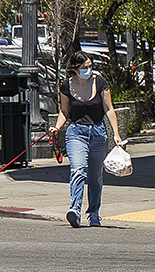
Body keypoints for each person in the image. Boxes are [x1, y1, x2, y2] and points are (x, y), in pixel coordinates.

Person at [53, 50, 126, 228]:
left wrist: (116, 134)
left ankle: (94, 213)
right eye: (85, 67)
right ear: (75, 69)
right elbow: (64, 111)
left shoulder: (99, 82)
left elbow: (109, 108)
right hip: (76, 133)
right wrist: (57, 127)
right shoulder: (66, 85)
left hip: (98, 133)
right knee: (78, 170)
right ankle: (75, 209)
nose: (89, 70)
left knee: (95, 176)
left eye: (90, 66)